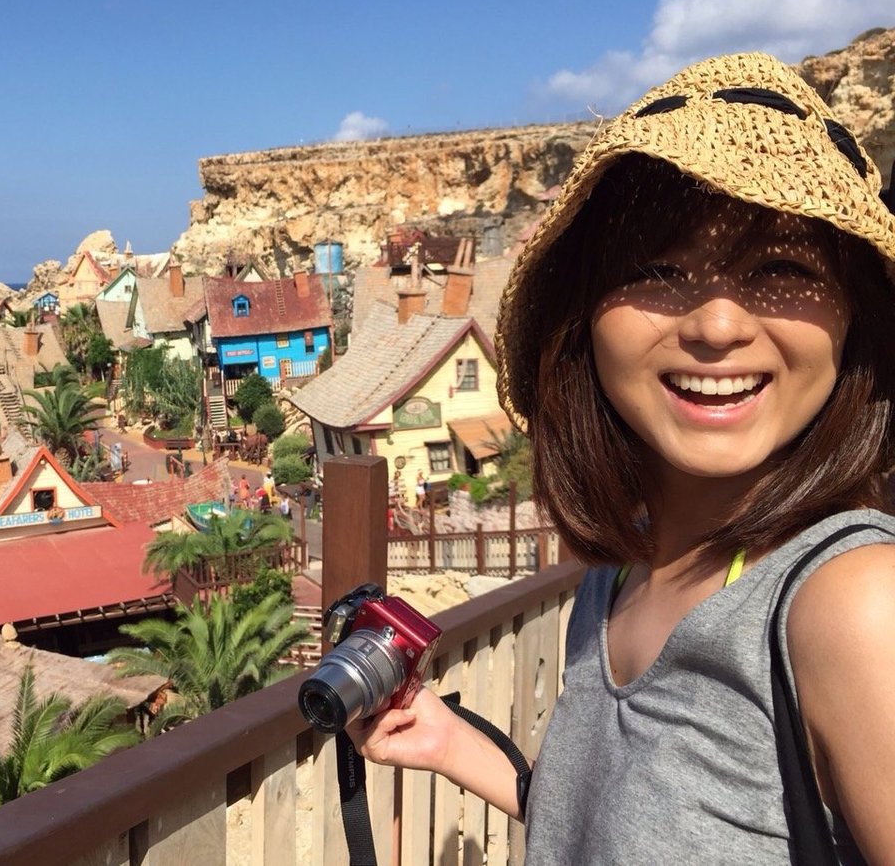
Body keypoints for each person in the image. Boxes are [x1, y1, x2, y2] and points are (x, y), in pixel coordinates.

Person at [348, 52, 895, 863]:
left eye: (781, 270)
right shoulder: (621, 574)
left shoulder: (854, 606)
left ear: (856, 320)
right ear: (586, 319)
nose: (717, 326)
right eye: (658, 270)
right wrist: (449, 743)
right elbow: (629, 825)